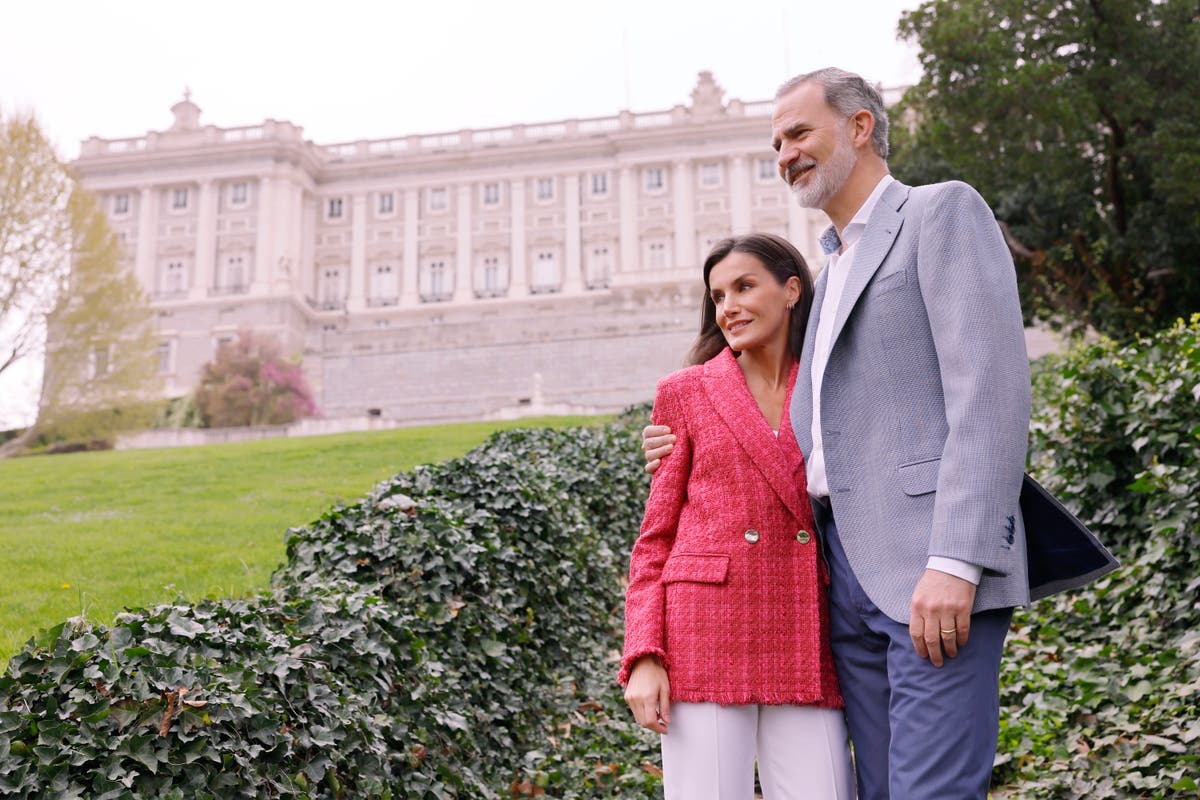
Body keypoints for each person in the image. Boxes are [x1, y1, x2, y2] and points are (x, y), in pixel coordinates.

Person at [642, 68, 1032, 799]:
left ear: (859, 127)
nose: (784, 153)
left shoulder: (939, 213)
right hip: (840, 579)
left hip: (926, 561)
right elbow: (817, 424)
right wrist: (681, 440)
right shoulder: (830, 267)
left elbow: (991, 394)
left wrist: (956, 558)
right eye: (776, 142)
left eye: (798, 134)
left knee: (932, 792)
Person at [621, 233, 855, 799]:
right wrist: (644, 655)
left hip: (805, 628)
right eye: (718, 295)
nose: (728, 306)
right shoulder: (685, 392)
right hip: (703, 631)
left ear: (792, 289)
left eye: (745, 286)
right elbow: (656, 538)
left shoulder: (834, 384)